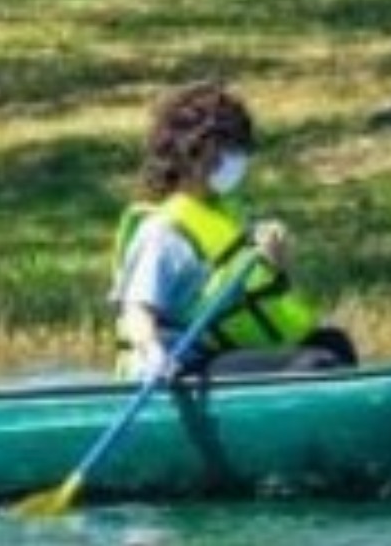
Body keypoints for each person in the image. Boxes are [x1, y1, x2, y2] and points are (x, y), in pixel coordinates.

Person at [110, 80, 357, 381]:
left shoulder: (220, 213)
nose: (239, 159)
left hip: (217, 354)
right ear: (198, 152)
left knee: (333, 344)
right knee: (316, 366)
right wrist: (152, 353)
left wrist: (274, 259)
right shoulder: (163, 233)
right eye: (232, 149)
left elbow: (243, 293)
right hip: (180, 370)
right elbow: (136, 310)